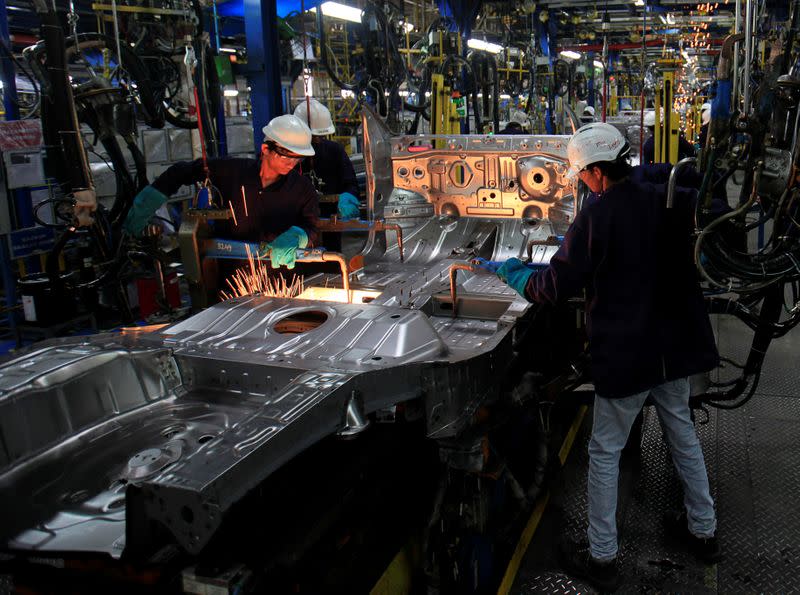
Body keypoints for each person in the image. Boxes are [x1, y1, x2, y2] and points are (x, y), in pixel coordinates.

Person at [484, 122, 721, 591]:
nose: (581, 183)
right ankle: (704, 531)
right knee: (682, 435)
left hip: (629, 352)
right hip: (672, 347)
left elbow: (553, 287)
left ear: (594, 172)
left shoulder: (597, 215)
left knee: (605, 451)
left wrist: (511, 272)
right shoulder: (662, 194)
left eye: (581, 175)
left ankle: (603, 556)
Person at [123, 113, 319, 281]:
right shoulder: (232, 171)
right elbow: (180, 172)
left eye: (298, 158)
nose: (292, 163)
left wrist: (298, 236)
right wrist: (148, 201)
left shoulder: (302, 187)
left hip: (280, 275)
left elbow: (312, 226)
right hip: (232, 275)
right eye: (287, 156)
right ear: (266, 149)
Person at [293, 98, 360, 220]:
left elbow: (351, 183)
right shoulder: (289, 157)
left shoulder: (335, 151)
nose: (318, 140)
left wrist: (349, 197)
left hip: (331, 219)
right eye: (314, 136)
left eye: (321, 136)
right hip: (298, 221)